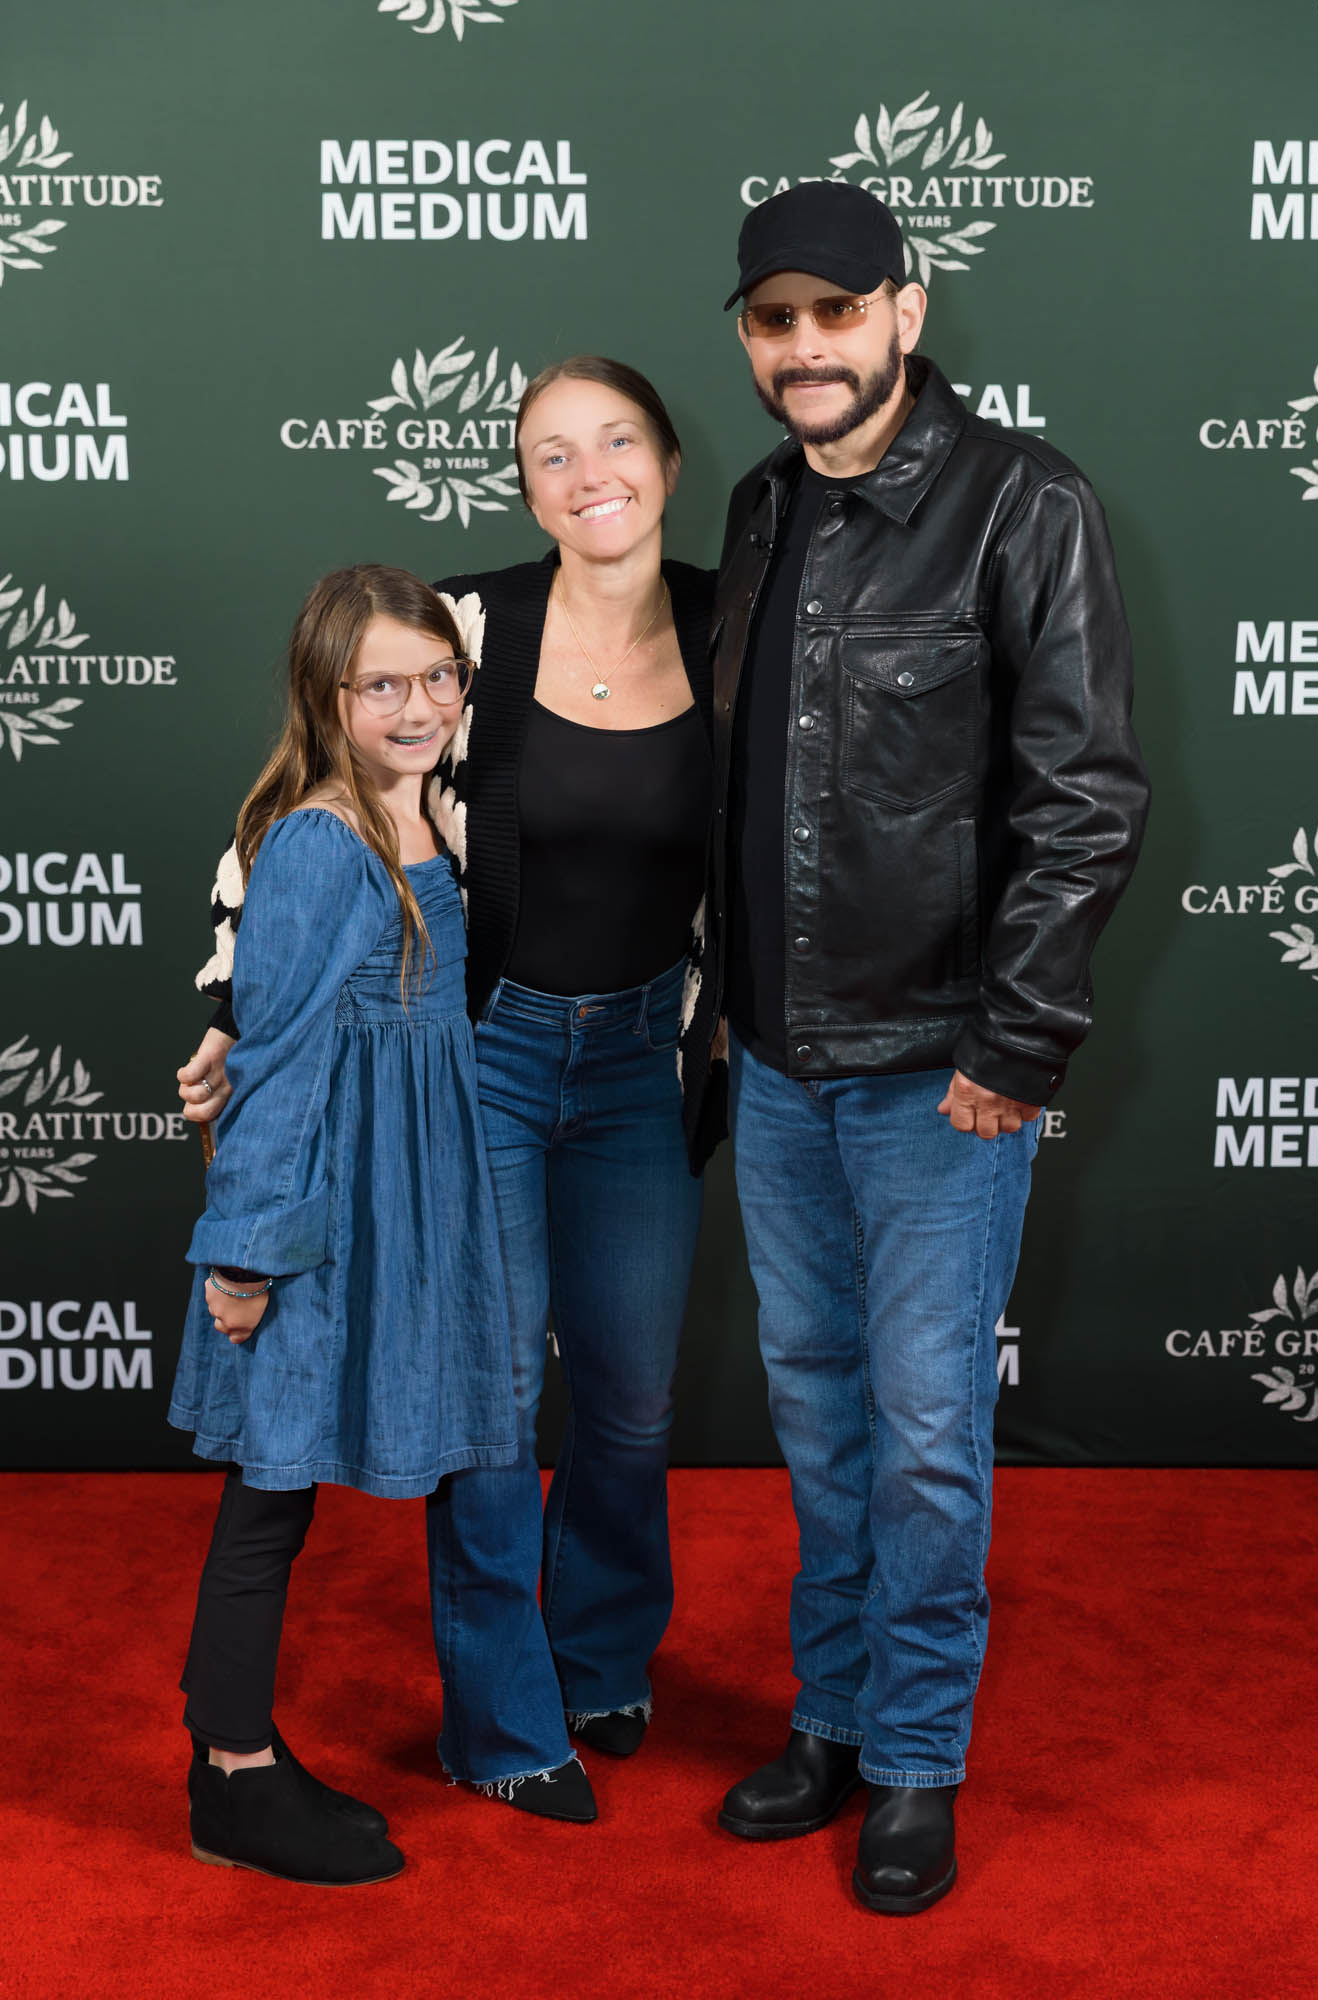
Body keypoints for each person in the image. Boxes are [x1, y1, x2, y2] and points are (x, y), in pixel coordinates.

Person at [685, 183, 1150, 1912]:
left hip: (939, 1071)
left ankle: (913, 1757)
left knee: (930, 1432)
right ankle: (829, 1715)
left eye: (836, 311)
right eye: (773, 320)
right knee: (817, 1419)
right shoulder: (756, 507)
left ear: (906, 308)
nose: (805, 346)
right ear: (748, 338)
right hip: (777, 1063)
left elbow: (1084, 798)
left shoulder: (1022, 502)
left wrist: (1016, 1045)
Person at [179, 358, 719, 1824]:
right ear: (524, 485)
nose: (590, 475)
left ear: (669, 462)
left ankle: (598, 1664)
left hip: (638, 1060)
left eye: (617, 441)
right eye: (552, 453)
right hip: (483, 1054)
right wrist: (235, 1008)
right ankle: (504, 1725)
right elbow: (291, 822)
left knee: (630, 1396)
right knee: (492, 1397)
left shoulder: (729, 626)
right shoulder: (468, 627)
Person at [171, 565, 517, 1885]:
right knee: (268, 1495)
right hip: (316, 1215)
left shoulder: (425, 809)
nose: (419, 705)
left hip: (397, 1197)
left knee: (285, 1491)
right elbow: (277, 1068)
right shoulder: (324, 841)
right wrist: (247, 1256)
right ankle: (230, 1775)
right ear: (327, 695)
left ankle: (238, 1747)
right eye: (384, 684)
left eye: (438, 676)